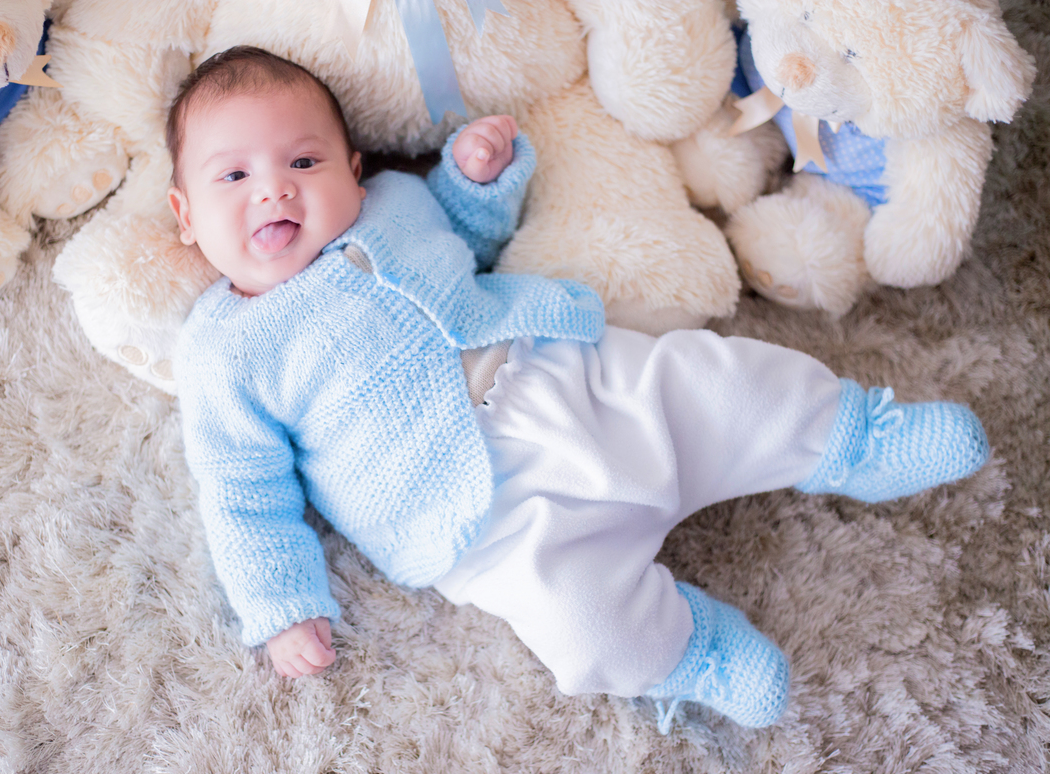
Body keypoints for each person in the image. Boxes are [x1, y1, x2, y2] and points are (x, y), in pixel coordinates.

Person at [166, 46, 990, 733]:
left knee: (715, 381)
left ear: (353, 169)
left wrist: (478, 178)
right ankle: (687, 652)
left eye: (303, 161)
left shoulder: (395, 203)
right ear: (184, 215)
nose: (274, 188)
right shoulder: (225, 351)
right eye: (232, 176)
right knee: (581, 625)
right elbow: (241, 492)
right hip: (484, 522)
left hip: (563, 375)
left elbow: (470, 240)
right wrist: (280, 606)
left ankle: (852, 437)